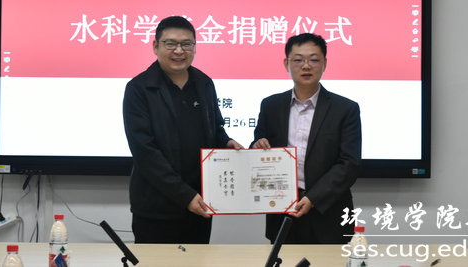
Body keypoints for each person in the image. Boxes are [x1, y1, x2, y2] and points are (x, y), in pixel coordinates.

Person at [123, 16, 243, 244]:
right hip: (156, 208)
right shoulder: (139, 89)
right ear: (155, 46)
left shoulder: (204, 83)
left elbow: (215, 128)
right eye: (170, 43)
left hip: (200, 203)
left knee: (197, 260)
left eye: (186, 44)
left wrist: (225, 143)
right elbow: (145, 152)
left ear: (194, 48)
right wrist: (185, 196)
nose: (179, 51)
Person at [251, 33, 361, 244]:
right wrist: (256, 147)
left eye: (314, 59)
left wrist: (313, 198)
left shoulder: (345, 109)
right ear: (286, 64)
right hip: (282, 209)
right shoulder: (270, 105)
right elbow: (259, 148)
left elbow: (349, 164)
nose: (306, 66)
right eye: (298, 60)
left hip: (328, 211)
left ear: (325, 63)